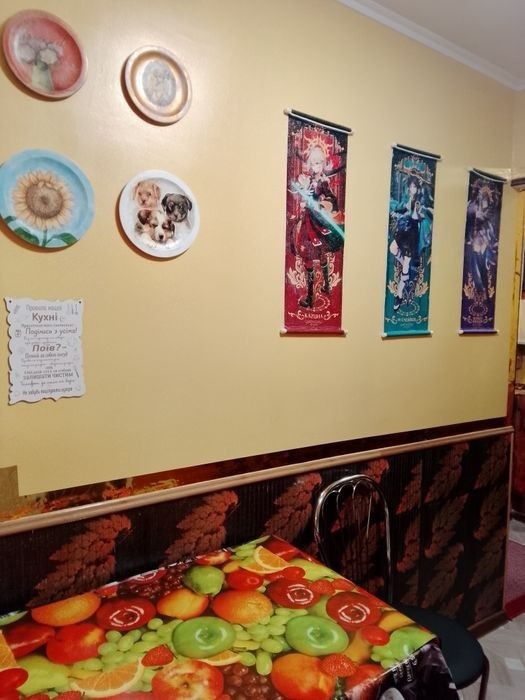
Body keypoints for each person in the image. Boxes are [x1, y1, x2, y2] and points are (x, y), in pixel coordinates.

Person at [290, 143, 344, 308]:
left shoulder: (322, 181)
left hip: (317, 219)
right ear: (310, 164)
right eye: (314, 163)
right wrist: (302, 194)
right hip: (308, 217)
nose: (317, 166)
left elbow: (331, 198)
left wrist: (322, 204)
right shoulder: (307, 179)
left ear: (323, 164)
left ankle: (324, 287)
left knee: (319, 252)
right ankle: (312, 295)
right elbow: (298, 192)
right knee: (306, 249)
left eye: (319, 163)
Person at [389, 175, 428, 311]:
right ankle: (407, 267)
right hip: (404, 232)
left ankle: (399, 295)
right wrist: (398, 213)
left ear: (417, 188)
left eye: (414, 187)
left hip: (412, 235)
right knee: (393, 248)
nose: (412, 189)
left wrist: (415, 212)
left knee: (405, 269)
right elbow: (403, 209)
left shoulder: (419, 200)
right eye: (411, 186)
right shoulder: (408, 198)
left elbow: (417, 216)